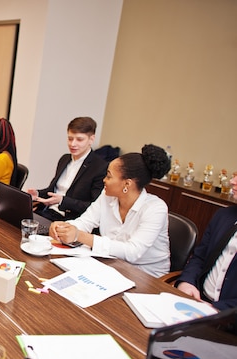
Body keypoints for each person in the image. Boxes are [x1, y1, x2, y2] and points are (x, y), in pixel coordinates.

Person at [49, 144, 171, 277]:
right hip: (112, 263)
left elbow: (132, 252)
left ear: (127, 184)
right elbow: (86, 221)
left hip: (147, 275)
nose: (104, 180)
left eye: (109, 176)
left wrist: (79, 235)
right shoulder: (107, 196)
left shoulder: (156, 208)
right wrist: (64, 227)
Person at [26, 117, 108, 221]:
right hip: (47, 212)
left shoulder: (100, 167)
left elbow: (94, 207)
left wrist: (62, 201)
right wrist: (37, 193)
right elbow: (53, 190)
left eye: (79, 139)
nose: (73, 144)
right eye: (70, 138)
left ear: (91, 139)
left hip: (69, 219)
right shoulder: (65, 159)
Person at [175, 174, 237, 310]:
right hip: (197, 302)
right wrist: (186, 282)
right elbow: (200, 257)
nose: (232, 182)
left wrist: (217, 309)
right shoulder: (224, 215)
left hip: (228, 317)